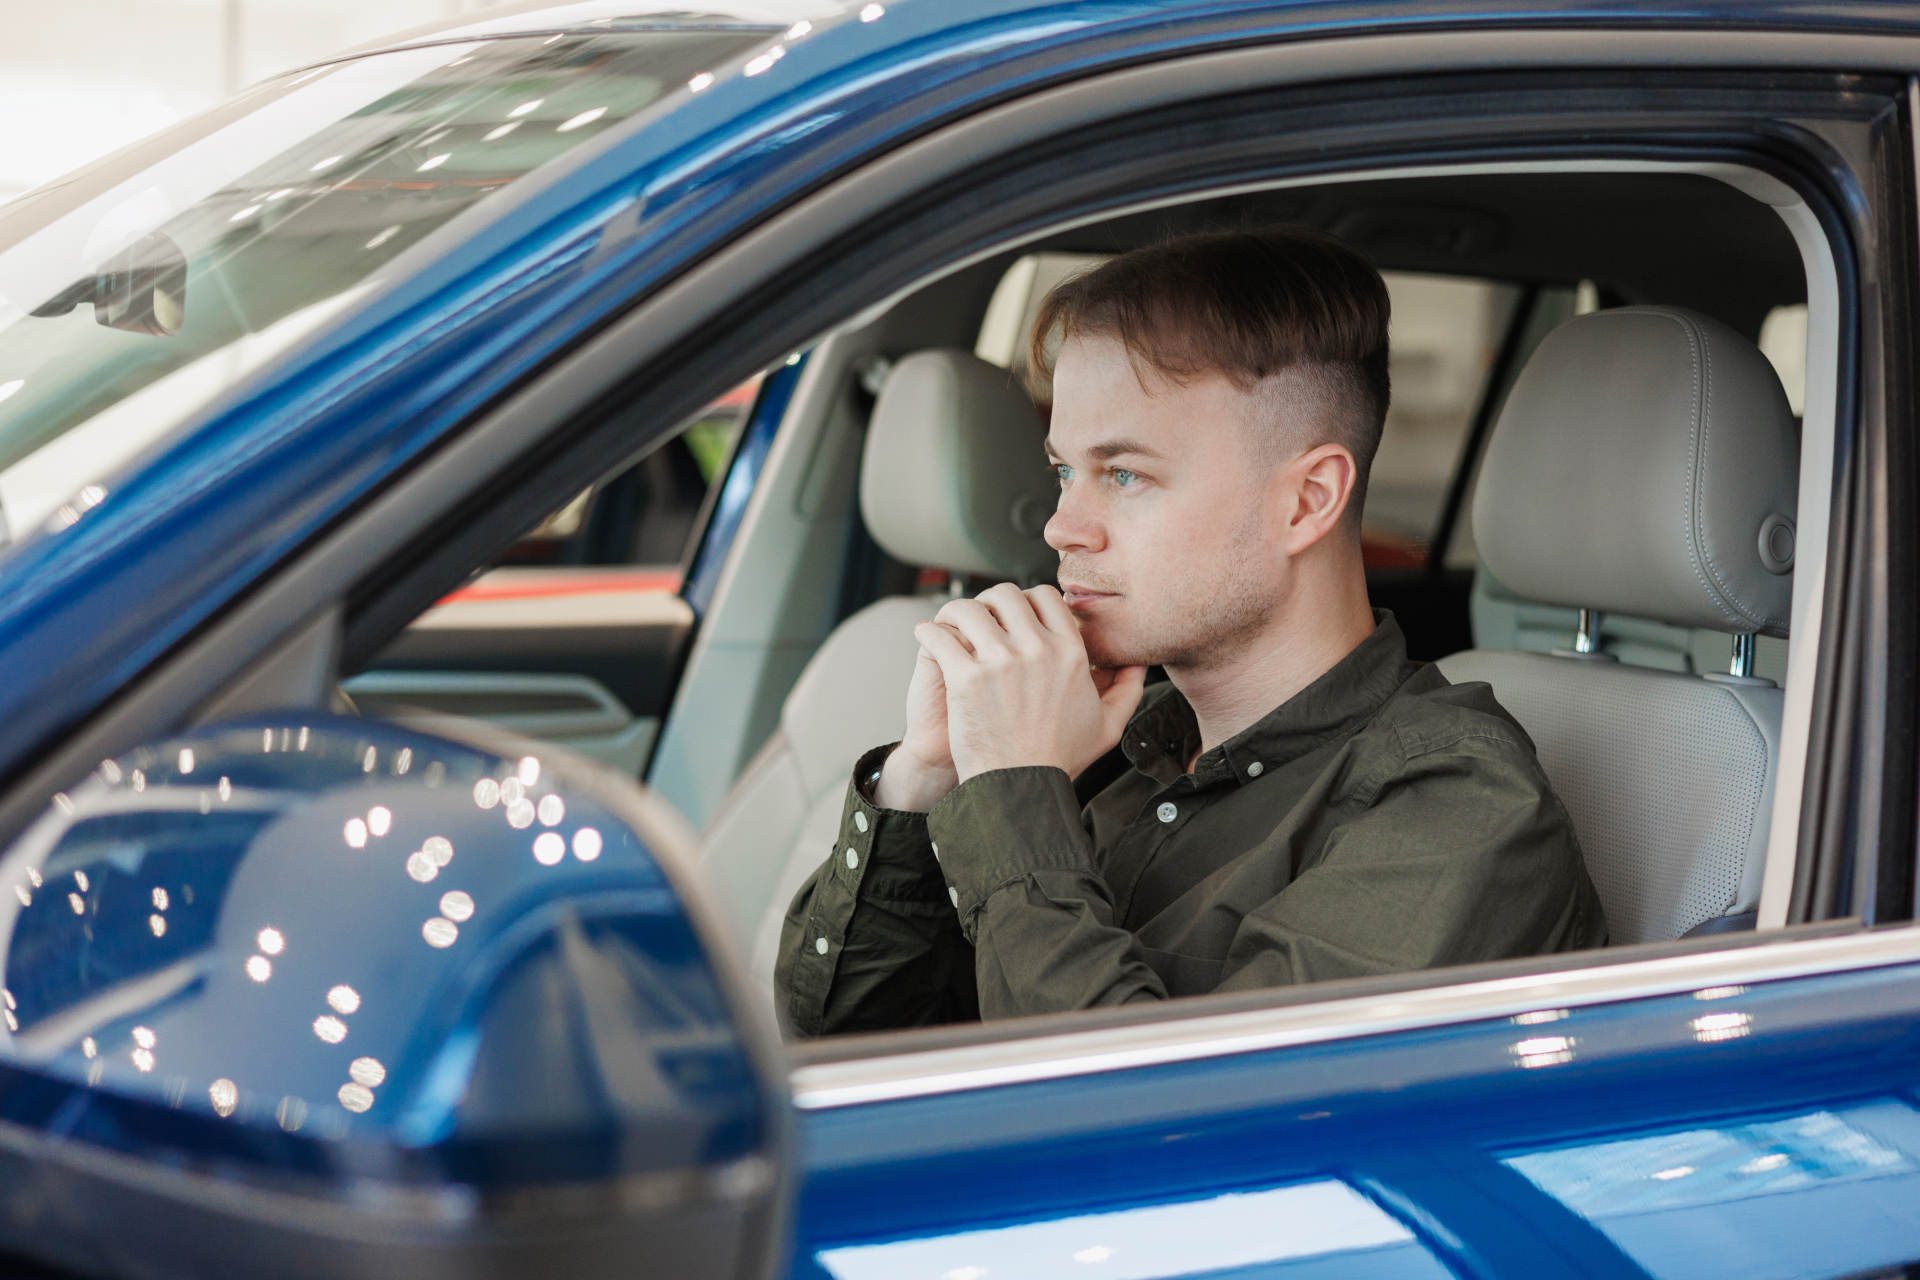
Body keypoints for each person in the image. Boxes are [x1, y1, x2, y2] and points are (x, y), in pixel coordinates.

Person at [776, 227, 1606, 1037]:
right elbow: (850, 1045)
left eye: (1125, 474)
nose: (1064, 527)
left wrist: (1018, 794)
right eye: (1065, 471)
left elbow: (1166, 1137)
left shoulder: (1456, 806)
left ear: (1307, 501)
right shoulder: (1122, 742)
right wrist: (932, 775)